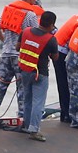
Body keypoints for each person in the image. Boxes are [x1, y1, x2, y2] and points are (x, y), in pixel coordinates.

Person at [0, 0, 43, 117]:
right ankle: (22, 116)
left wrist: (6, 42)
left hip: (5, 54)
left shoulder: (9, 10)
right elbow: (36, 34)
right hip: (20, 56)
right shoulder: (30, 14)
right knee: (22, 87)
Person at [17, 11, 58, 142]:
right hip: (40, 74)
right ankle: (34, 130)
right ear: (51, 24)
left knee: (27, 99)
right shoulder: (51, 39)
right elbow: (55, 57)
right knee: (38, 103)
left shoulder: (25, 31)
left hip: (24, 71)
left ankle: (27, 125)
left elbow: (18, 47)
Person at [52, 13, 78, 123]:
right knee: (66, 84)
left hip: (59, 49)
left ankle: (67, 114)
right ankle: (67, 115)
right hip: (61, 53)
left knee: (64, 84)